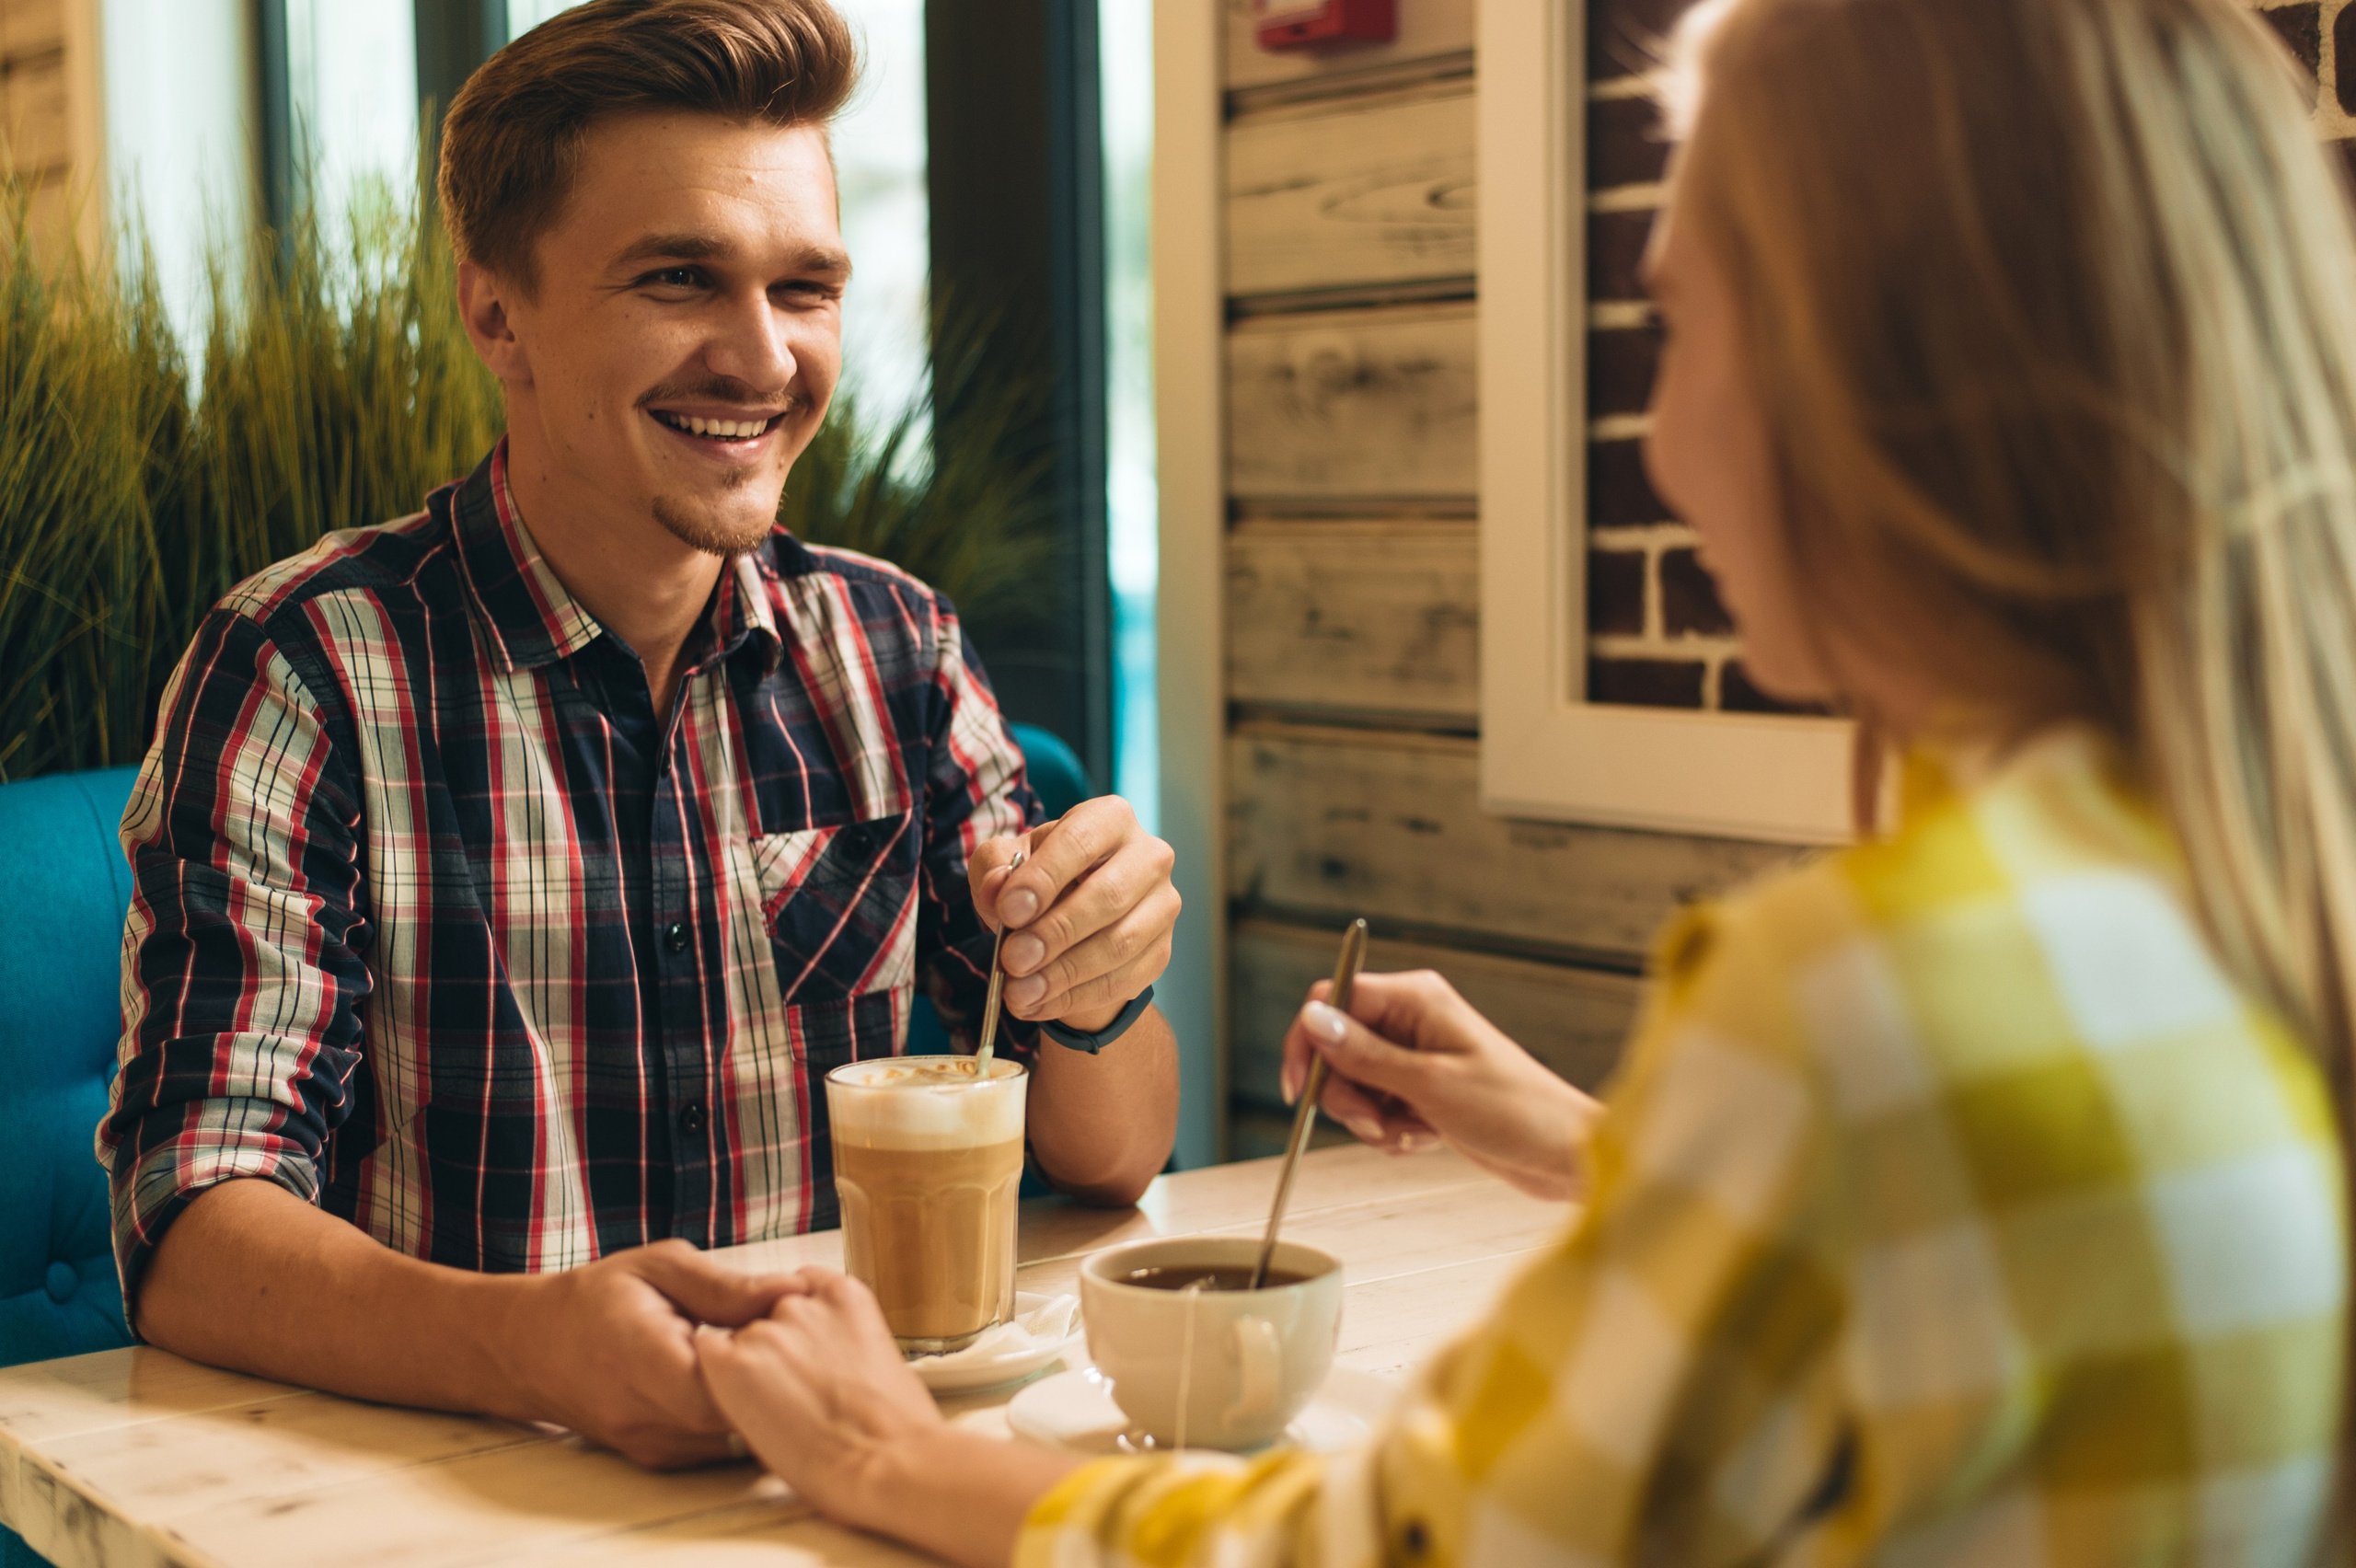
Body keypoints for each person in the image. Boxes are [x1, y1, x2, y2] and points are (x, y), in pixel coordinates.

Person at [691, 0, 2356, 1560]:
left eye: (1680, 320)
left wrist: (889, 1460)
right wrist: (1598, 1142)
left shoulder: (1863, 1010)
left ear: (1880, 380)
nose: (1661, 435)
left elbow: (1406, 1547)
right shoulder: (2232, 895)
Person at [98, 0, 1180, 1471]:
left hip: (850, 1466)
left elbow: (1109, 1154)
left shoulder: (897, 648)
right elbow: (189, 1228)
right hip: (465, 1477)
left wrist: (1097, 987)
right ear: (498, 314)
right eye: (680, 278)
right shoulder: (304, 667)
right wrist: (532, 1340)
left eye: (806, 288)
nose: (761, 358)